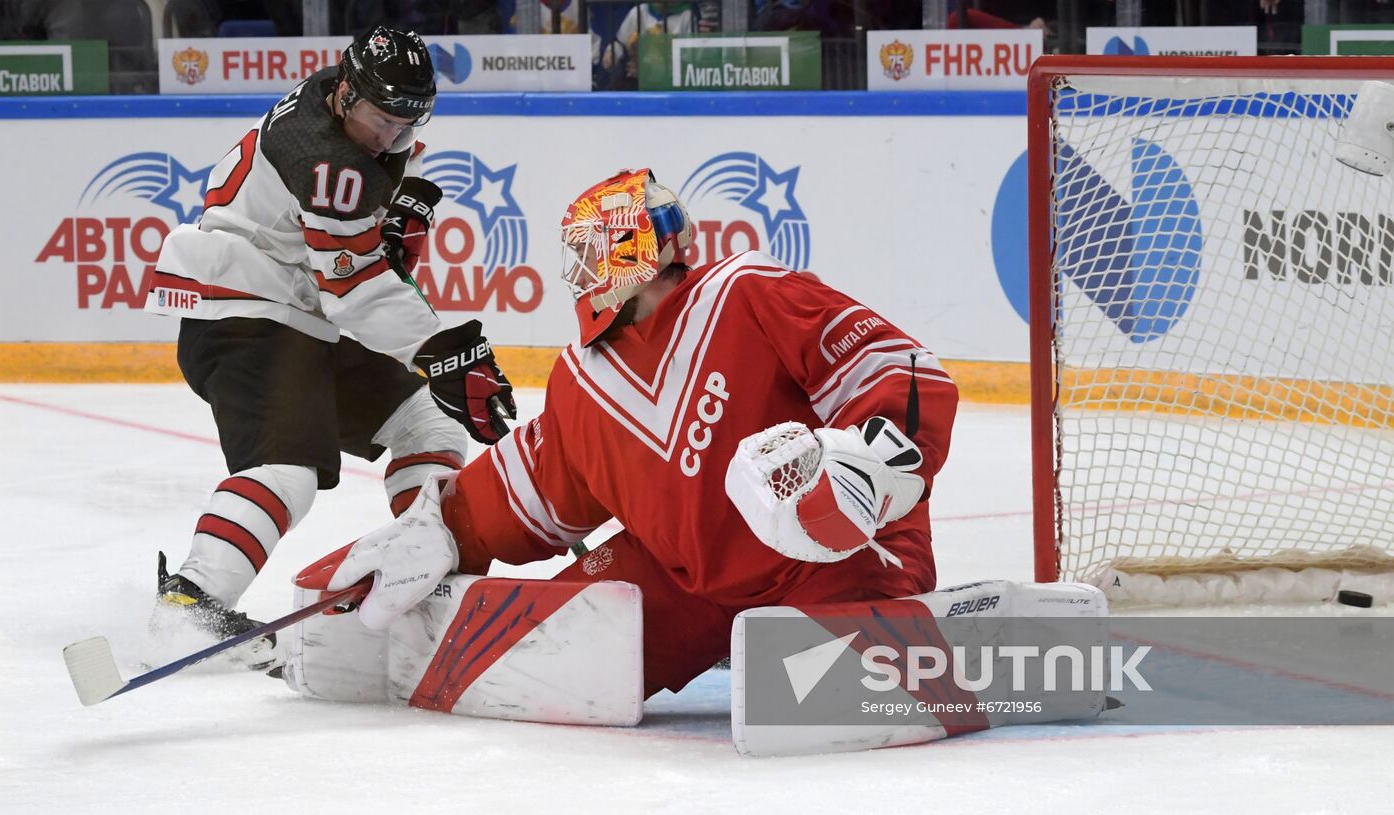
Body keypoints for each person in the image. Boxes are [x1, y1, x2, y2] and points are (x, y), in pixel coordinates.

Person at [306, 168, 958, 696]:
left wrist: (866, 459)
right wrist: (442, 527)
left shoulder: (745, 291)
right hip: (689, 584)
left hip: (829, 555)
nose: (584, 271)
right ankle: (361, 640)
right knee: (531, 649)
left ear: (633, 248)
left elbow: (898, 369)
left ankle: (896, 637)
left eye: (592, 250)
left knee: (822, 677)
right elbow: (534, 486)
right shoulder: (580, 381)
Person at [144, 26, 516, 668]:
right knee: (287, 469)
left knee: (424, 420)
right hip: (242, 310)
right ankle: (188, 609)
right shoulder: (327, 161)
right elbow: (357, 288)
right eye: (381, 120)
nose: (391, 137)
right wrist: (445, 351)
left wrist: (403, 198)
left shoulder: (344, 103)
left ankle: (425, 579)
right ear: (346, 94)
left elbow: (376, 196)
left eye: (407, 123)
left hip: (297, 309)